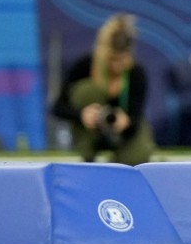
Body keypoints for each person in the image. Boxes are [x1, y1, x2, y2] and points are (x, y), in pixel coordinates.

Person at [51, 13, 155, 165]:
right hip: (89, 131)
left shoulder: (135, 72)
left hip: (123, 135)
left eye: (122, 60)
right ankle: (87, 156)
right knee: (86, 90)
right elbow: (57, 107)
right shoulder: (84, 66)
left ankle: (126, 164)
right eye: (112, 59)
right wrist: (81, 115)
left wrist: (126, 122)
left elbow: (136, 115)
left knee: (137, 155)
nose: (116, 66)